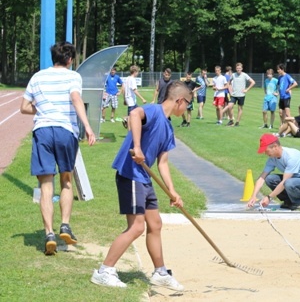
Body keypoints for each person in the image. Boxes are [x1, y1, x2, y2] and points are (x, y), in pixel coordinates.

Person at [90, 81, 191, 290]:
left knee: (155, 224)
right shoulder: (154, 111)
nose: (187, 109)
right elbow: (134, 114)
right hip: (130, 174)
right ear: (180, 100)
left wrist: (172, 191)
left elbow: (163, 163)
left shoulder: (168, 128)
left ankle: (160, 272)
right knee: (137, 227)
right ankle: (104, 271)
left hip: (144, 177)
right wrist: (136, 146)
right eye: (188, 104)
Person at [20, 41, 97, 255]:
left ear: (53, 57)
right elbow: (75, 98)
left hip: (43, 130)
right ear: (70, 60)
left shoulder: (38, 76)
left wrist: (44, 109)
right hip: (65, 131)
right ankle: (64, 225)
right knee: (66, 180)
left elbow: (24, 107)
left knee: (46, 185)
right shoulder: (73, 77)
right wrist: (88, 128)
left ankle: (49, 234)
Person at [247, 134, 300, 210]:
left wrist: (269, 197)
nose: (265, 154)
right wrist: (253, 196)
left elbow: (284, 182)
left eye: (266, 151)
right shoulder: (272, 159)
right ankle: (288, 201)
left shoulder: (291, 156)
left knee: (288, 182)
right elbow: (262, 177)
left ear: (275, 147)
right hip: (291, 180)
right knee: (269, 179)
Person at [221, 62, 255, 126]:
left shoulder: (244, 75)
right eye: (237, 68)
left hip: (241, 95)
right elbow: (228, 83)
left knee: (240, 108)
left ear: (242, 68)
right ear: (236, 69)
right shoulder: (233, 75)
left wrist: (247, 89)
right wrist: (230, 91)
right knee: (230, 106)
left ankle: (237, 122)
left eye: (239, 68)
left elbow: (253, 82)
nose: (238, 69)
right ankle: (231, 120)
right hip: (234, 95)